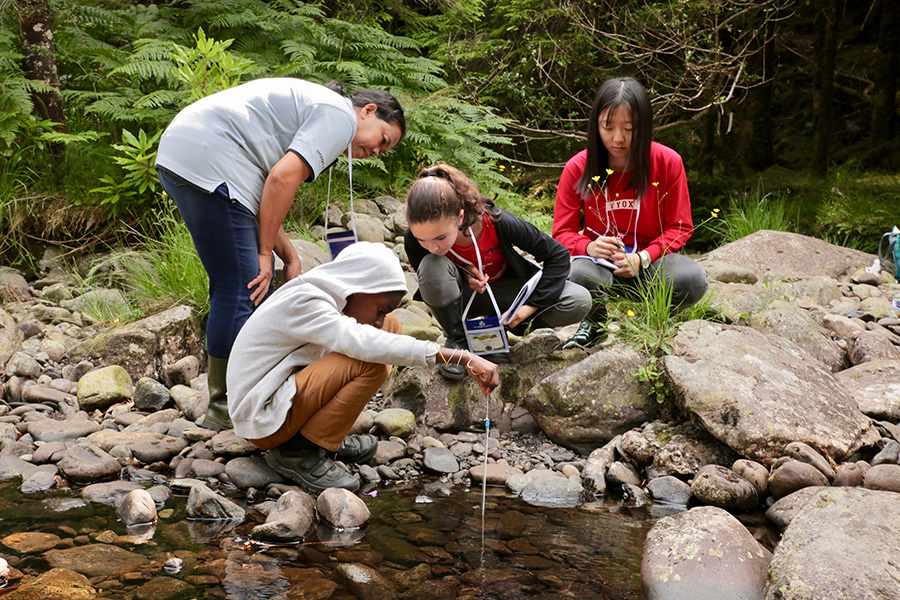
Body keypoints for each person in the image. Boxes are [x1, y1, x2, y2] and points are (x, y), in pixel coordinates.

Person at [155, 78, 406, 431]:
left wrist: (288, 256)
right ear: (367, 111)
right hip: (210, 158)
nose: (377, 151)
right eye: (383, 139)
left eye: (385, 149)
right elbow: (281, 179)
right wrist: (262, 252)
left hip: (188, 152)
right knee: (244, 287)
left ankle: (234, 397)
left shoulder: (314, 109)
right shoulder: (339, 116)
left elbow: (262, 195)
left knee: (239, 285)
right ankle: (227, 407)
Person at [226, 242, 499, 493]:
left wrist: (384, 321)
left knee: (391, 331)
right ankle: (299, 452)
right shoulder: (308, 302)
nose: (380, 320)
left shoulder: (330, 294)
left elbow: (378, 336)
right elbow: (364, 344)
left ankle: (325, 436)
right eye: (381, 309)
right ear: (357, 287)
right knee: (370, 362)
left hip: (280, 393)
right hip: (262, 417)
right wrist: (462, 357)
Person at [553, 77, 708, 349]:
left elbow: (680, 226)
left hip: (650, 267)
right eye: (608, 127)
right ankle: (595, 322)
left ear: (644, 126)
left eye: (629, 128)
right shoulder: (578, 167)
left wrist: (644, 257)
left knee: (693, 278)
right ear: (595, 126)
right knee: (578, 273)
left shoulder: (667, 162)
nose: (618, 138)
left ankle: (658, 315)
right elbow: (561, 233)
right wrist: (588, 246)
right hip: (600, 267)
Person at [404, 164, 592, 380]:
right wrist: (464, 271)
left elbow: (557, 255)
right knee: (431, 264)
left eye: (440, 238)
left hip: (507, 298)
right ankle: (458, 340)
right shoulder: (413, 240)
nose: (433, 247)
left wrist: (530, 307)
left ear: (459, 217)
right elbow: (430, 281)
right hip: (461, 299)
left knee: (578, 300)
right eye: (422, 239)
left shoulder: (496, 222)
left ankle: (495, 332)